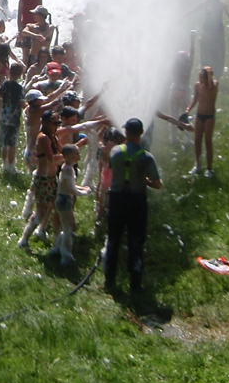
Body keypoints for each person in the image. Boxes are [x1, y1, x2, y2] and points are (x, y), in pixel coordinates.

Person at [101, 116, 163, 296]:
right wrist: (145, 181)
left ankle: (109, 280)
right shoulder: (146, 157)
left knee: (113, 239)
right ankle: (135, 283)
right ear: (141, 133)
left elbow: (112, 168)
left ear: (126, 132)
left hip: (116, 199)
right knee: (136, 240)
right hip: (137, 200)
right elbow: (157, 184)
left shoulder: (115, 152)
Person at [18, 111, 63, 249]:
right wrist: (69, 155)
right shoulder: (43, 138)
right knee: (40, 212)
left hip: (52, 178)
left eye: (58, 123)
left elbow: (61, 153)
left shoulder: (53, 137)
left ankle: (55, 240)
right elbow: (51, 159)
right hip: (43, 179)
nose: (56, 126)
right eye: (54, 123)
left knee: (56, 209)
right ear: (45, 122)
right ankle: (24, 239)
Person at [53, 143, 93, 266]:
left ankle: (57, 248)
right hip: (65, 200)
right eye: (77, 153)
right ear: (70, 155)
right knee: (68, 228)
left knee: (66, 226)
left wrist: (83, 188)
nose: (79, 155)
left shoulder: (66, 167)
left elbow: (69, 185)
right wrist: (84, 193)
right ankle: (66, 256)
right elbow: (71, 189)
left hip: (62, 199)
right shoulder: (68, 169)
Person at [184, 65, 219, 176]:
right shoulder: (197, 85)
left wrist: (208, 72)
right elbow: (195, 99)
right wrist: (188, 109)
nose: (200, 79)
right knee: (197, 140)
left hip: (209, 116)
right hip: (200, 115)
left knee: (208, 141)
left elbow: (210, 85)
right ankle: (198, 165)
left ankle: (209, 168)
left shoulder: (214, 84)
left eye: (202, 77)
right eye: (199, 77)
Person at [0, 62, 25, 174]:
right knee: (12, 144)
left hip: (4, 116)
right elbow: (21, 102)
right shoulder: (19, 88)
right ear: (20, 74)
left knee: (4, 142)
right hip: (14, 118)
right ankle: (11, 166)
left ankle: (4, 165)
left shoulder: (5, 84)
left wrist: (3, 103)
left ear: (9, 72)